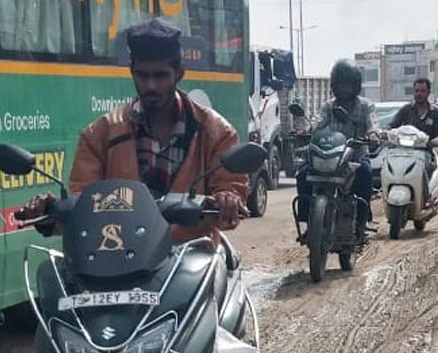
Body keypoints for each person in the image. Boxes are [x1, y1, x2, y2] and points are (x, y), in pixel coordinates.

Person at [21, 18, 246, 241]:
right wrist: (49, 212)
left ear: (179, 73)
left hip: (190, 256)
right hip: (119, 256)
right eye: (142, 75)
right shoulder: (99, 135)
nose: (150, 86)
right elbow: (82, 206)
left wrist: (227, 200)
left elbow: (230, 193)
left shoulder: (216, 132)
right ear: (132, 72)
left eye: (160, 76)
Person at [297, 59, 377, 230]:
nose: (344, 89)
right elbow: (318, 123)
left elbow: (372, 124)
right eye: (341, 85)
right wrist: (306, 130)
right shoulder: (328, 106)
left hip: (355, 156)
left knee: (366, 173)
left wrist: (373, 135)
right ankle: (306, 219)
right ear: (335, 86)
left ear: (355, 86)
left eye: (348, 85)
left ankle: (363, 219)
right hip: (330, 155)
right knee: (302, 175)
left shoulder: (365, 106)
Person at [386, 77, 438, 204]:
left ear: (428, 92)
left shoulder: (435, 113)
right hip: (403, 151)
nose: (419, 94)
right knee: (388, 164)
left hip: (424, 152)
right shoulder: (406, 110)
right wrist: (384, 133)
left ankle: (426, 198)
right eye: (417, 91)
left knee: (421, 167)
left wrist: (434, 141)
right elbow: (392, 126)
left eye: (422, 91)